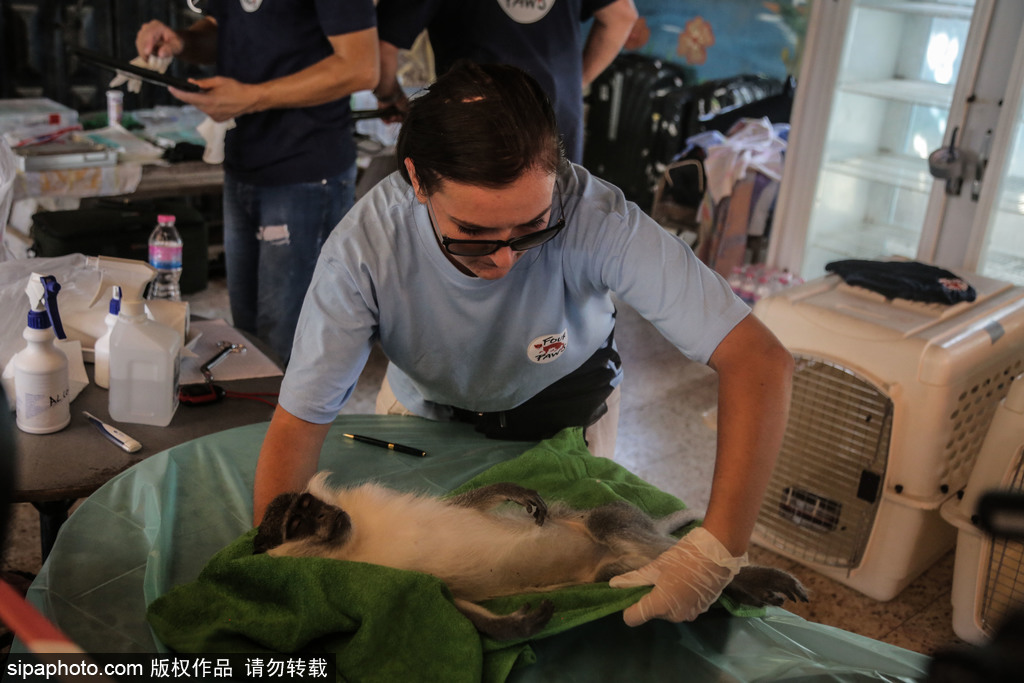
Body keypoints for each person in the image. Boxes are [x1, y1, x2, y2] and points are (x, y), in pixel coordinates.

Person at [253, 62, 794, 627]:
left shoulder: (596, 218)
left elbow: (759, 360)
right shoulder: (364, 248)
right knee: (427, 575)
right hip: (425, 415)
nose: (505, 261)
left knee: (579, 565)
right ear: (417, 180)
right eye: (472, 235)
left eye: (533, 229)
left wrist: (718, 552)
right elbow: (299, 421)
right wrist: (270, 574)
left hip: (564, 410)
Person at [133, 0, 379, 364]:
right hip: (243, 164)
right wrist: (182, 41)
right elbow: (226, 30)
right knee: (248, 343)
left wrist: (253, 97)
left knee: (287, 350)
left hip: (307, 171)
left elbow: (360, 67)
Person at [372, 0, 639, 164]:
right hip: (556, 116)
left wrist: (390, 96)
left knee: (481, 240)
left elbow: (382, 48)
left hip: (476, 124)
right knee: (555, 226)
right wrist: (572, 85)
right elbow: (622, 16)